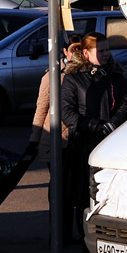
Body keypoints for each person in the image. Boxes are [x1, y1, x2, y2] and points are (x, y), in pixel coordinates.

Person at [60, 32, 127, 253]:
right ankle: (89, 250)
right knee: (85, 198)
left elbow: (125, 104)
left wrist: (112, 124)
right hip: (84, 146)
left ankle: (112, 247)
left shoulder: (115, 76)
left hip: (111, 144)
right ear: (87, 53)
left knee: (112, 196)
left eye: (107, 49)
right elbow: (67, 112)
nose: (106, 54)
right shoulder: (73, 78)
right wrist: (93, 125)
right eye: (100, 51)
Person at [28, 32, 83, 242]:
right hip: (56, 141)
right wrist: (34, 140)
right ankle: (60, 235)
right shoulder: (52, 75)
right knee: (59, 190)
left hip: (76, 141)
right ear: (65, 52)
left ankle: (69, 235)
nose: (76, 55)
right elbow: (41, 109)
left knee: (75, 190)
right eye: (73, 50)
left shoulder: (85, 73)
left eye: (80, 50)